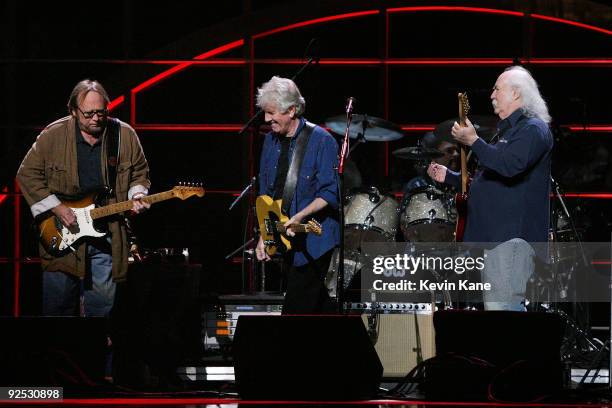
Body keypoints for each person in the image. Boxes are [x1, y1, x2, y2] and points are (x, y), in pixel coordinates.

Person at [17, 79, 151, 317]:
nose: (96, 118)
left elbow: (139, 173)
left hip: (107, 236)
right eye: (89, 113)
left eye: (101, 112)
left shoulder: (124, 135)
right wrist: (57, 208)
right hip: (62, 233)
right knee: (58, 310)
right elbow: (27, 174)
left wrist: (138, 194)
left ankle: (96, 352)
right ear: (73, 111)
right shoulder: (53, 135)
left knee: (102, 312)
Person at [428, 65, 553, 311]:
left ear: (516, 94)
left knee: (502, 313)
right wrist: (453, 178)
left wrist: (474, 141)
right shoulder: (509, 132)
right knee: (497, 314)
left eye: (497, 89)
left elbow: (509, 167)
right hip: (496, 239)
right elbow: (492, 177)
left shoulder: (533, 129)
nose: (492, 95)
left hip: (510, 239)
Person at [255, 76, 340, 314]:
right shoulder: (270, 141)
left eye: (272, 113)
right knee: (318, 310)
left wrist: (301, 215)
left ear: (292, 110)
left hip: (315, 241)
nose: (266, 119)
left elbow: (330, 192)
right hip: (285, 240)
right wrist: (265, 235)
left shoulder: (322, 140)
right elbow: (266, 194)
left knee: (295, 312)